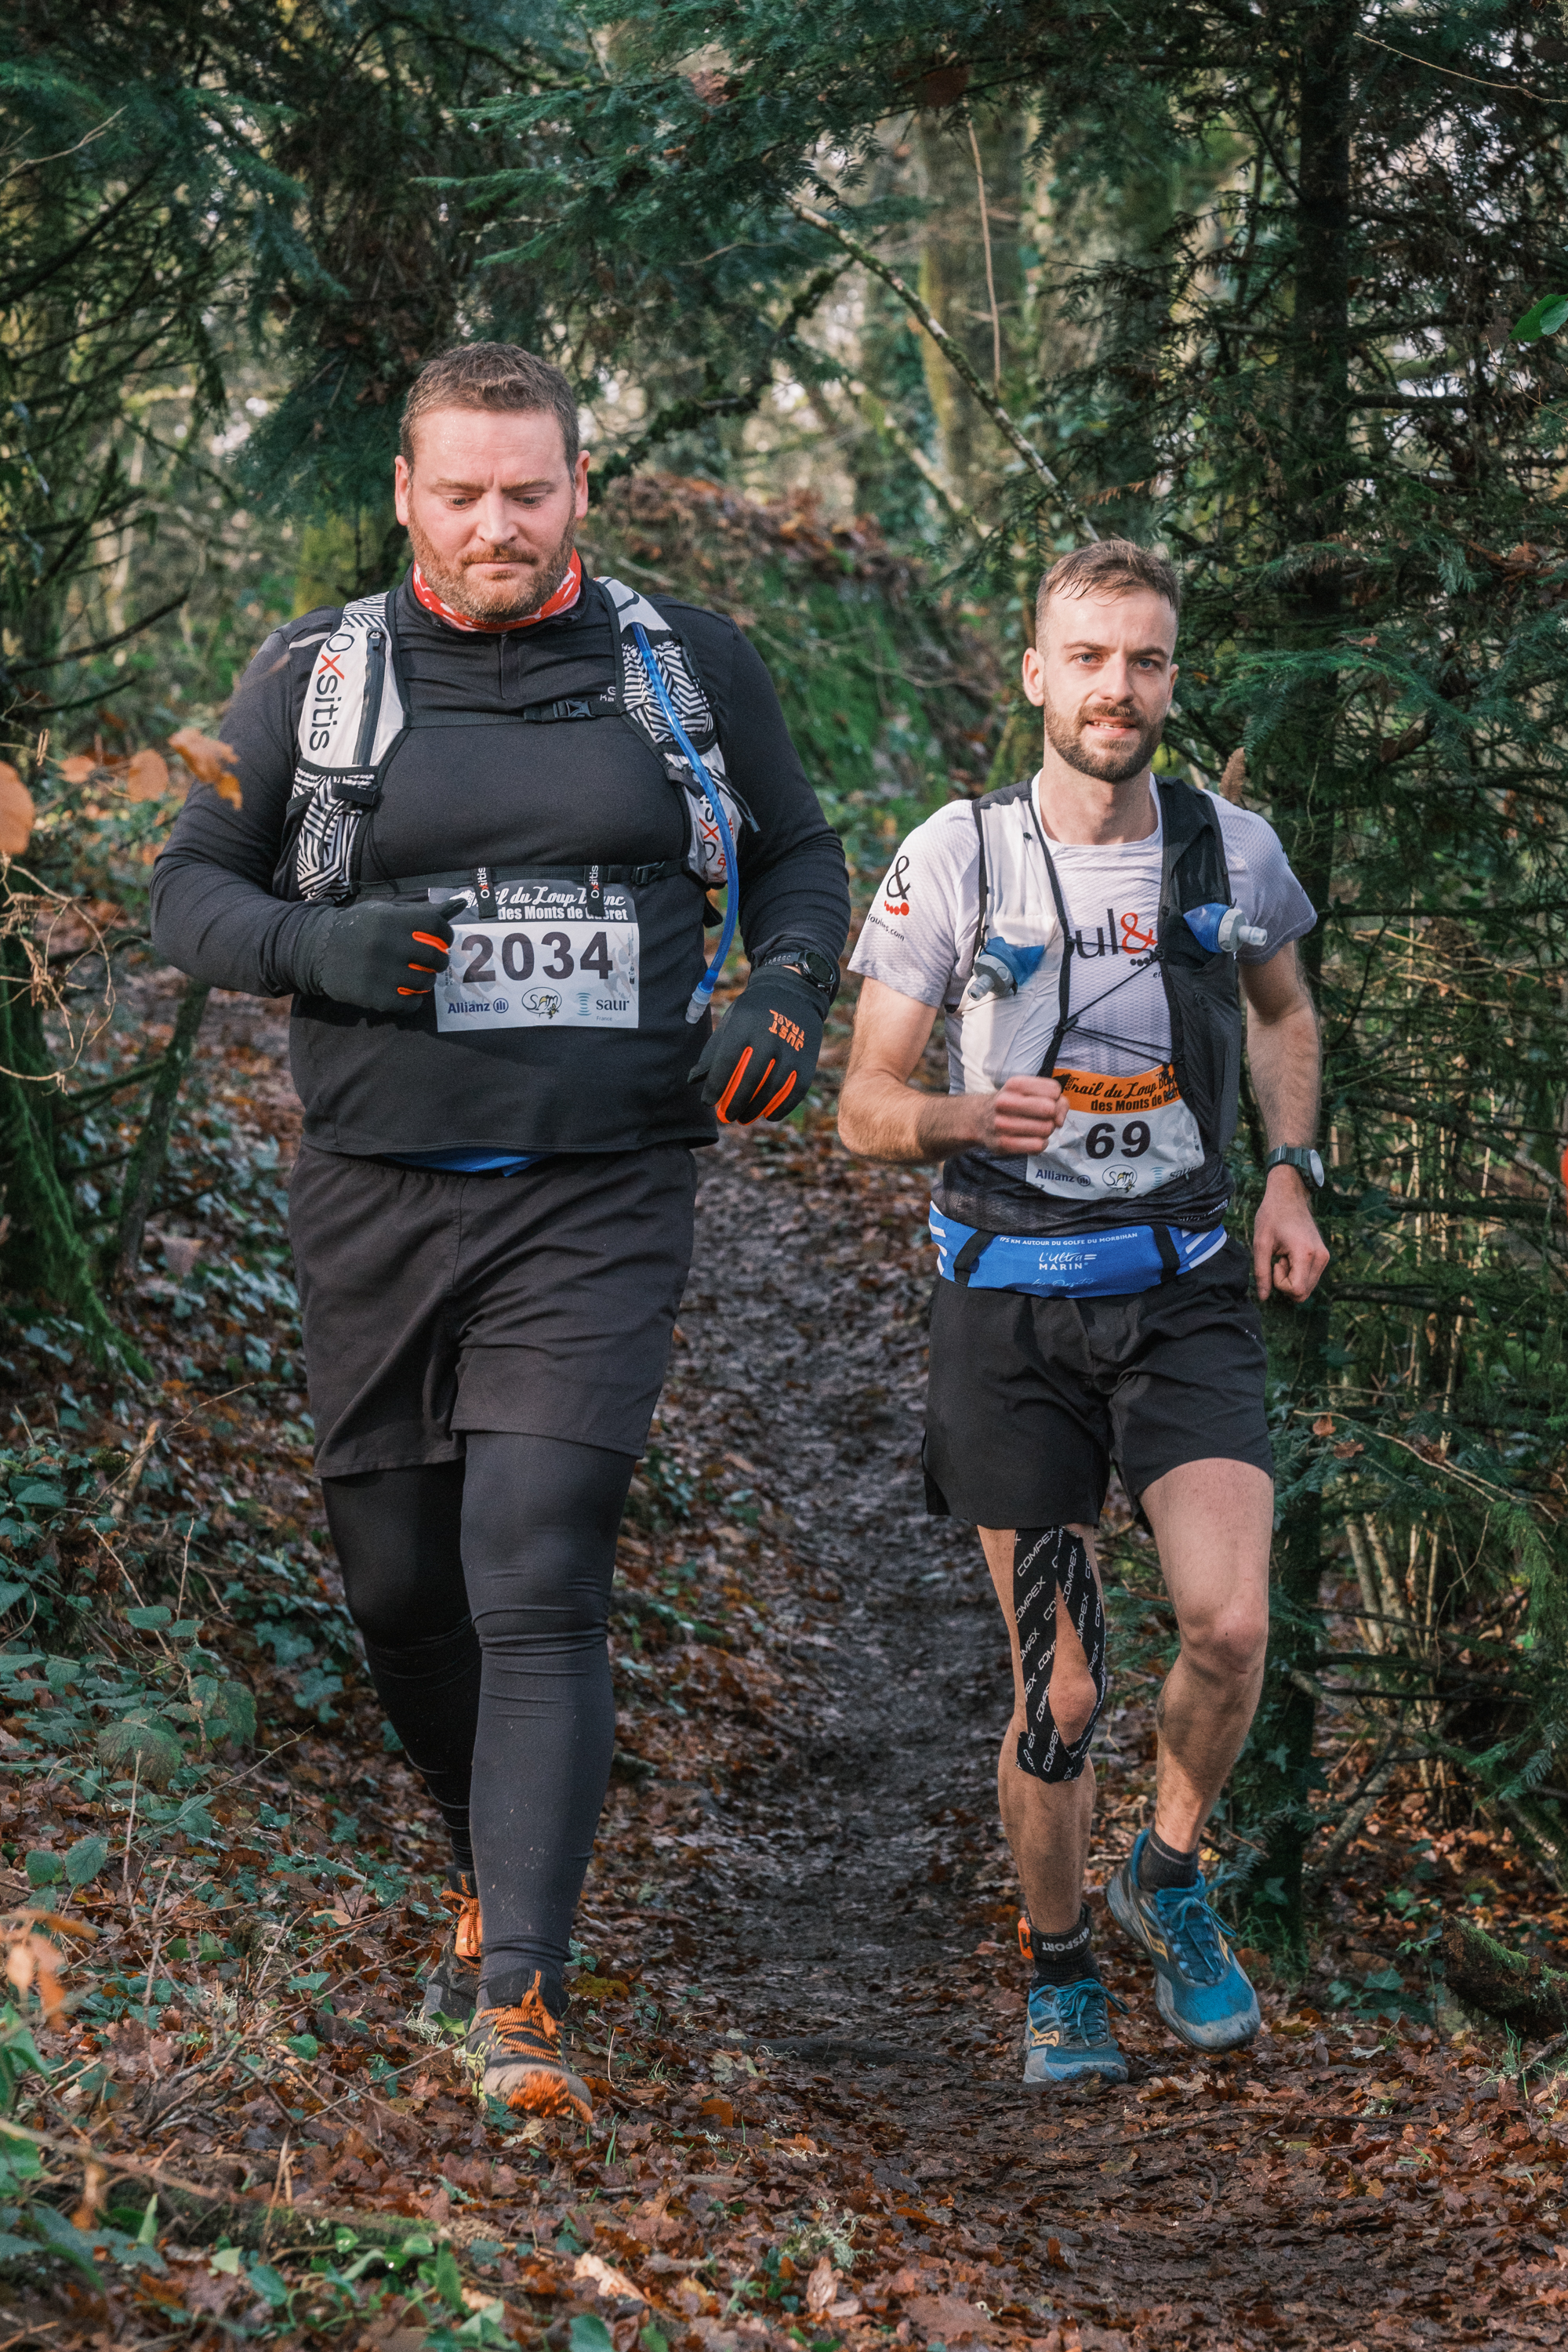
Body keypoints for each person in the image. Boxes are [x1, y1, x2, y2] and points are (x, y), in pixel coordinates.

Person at [151, 342, 849, 2122]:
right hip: (375, 1188)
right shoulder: (313, 678)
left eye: (527, 493)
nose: (494, 528)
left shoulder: (686, 663)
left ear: (578, 487)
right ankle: (487, 1842)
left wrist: (784, 989)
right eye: (459, 495)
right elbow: (186, 891)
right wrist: (316, 946)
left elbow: (797, 851)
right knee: (399, 1584)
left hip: (600, 1187)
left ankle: (522, 1995)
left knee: (536, 1563)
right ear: (405, 494)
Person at [837, 539, 1327, 2084]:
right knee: (1059, 1688)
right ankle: (1057, 1973)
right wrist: (959, 1117)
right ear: (1037, 674)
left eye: (1147, 661)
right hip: (1013, 1315)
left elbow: (1284, 1013)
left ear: (1171, 680)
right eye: (1092, 659)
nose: (1119, 689)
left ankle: (1163, 1875)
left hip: (1182, 1294)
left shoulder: (1228, 851)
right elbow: (861, 1102)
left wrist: (1291, 1174)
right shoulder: (959, 854)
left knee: (1230, 1627)